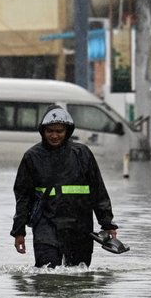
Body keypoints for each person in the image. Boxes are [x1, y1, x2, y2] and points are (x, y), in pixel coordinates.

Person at [11, 105, 118, 268]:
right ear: (43, 131)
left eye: (59, 131)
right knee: (47, 274)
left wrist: (107, 224)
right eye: (50, 131)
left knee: (78, 276)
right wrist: (19, 232)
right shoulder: (32, 157)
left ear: (67, 131)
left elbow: (98, 192)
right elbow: (22, 196)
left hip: (80, 228)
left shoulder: (82, 154)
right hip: (46, 226)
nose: (54, 135)